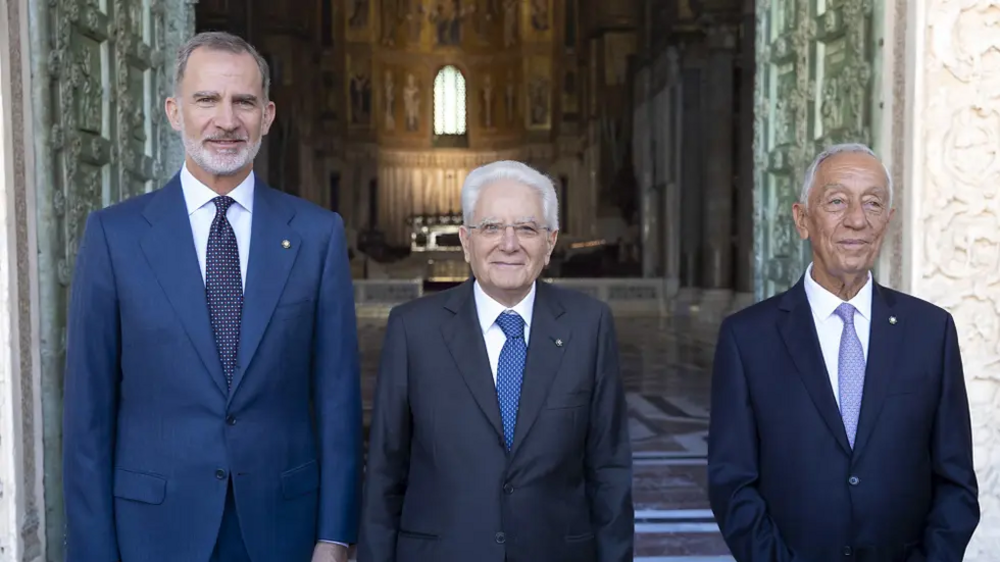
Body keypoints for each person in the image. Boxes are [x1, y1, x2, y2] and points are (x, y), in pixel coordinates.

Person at [62, 31, 362, 562]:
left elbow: (338, 401)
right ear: (174, 112)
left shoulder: (317, 234)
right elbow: (87, 417)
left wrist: (335, 537)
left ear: (267, 115)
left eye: (243, 101)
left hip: (282, 530)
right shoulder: (115, 236)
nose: (226, 120)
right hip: (152, 534)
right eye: (207, 100)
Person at [707, 143, 980, 561]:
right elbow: (732, 483)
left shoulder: (930, 331)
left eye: (873, 204)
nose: (857, 220)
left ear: (887, 222)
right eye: (837, 201)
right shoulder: (748, 338)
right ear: (802, 220)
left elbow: (956, 482)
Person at [358, 161, 634, 562]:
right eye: (491, 227)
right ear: (466, 240)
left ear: (550, 241)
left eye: (526, 228)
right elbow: (384, 474)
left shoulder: (589, 325)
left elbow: (609, 470)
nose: (509, 244)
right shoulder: (412, 329)